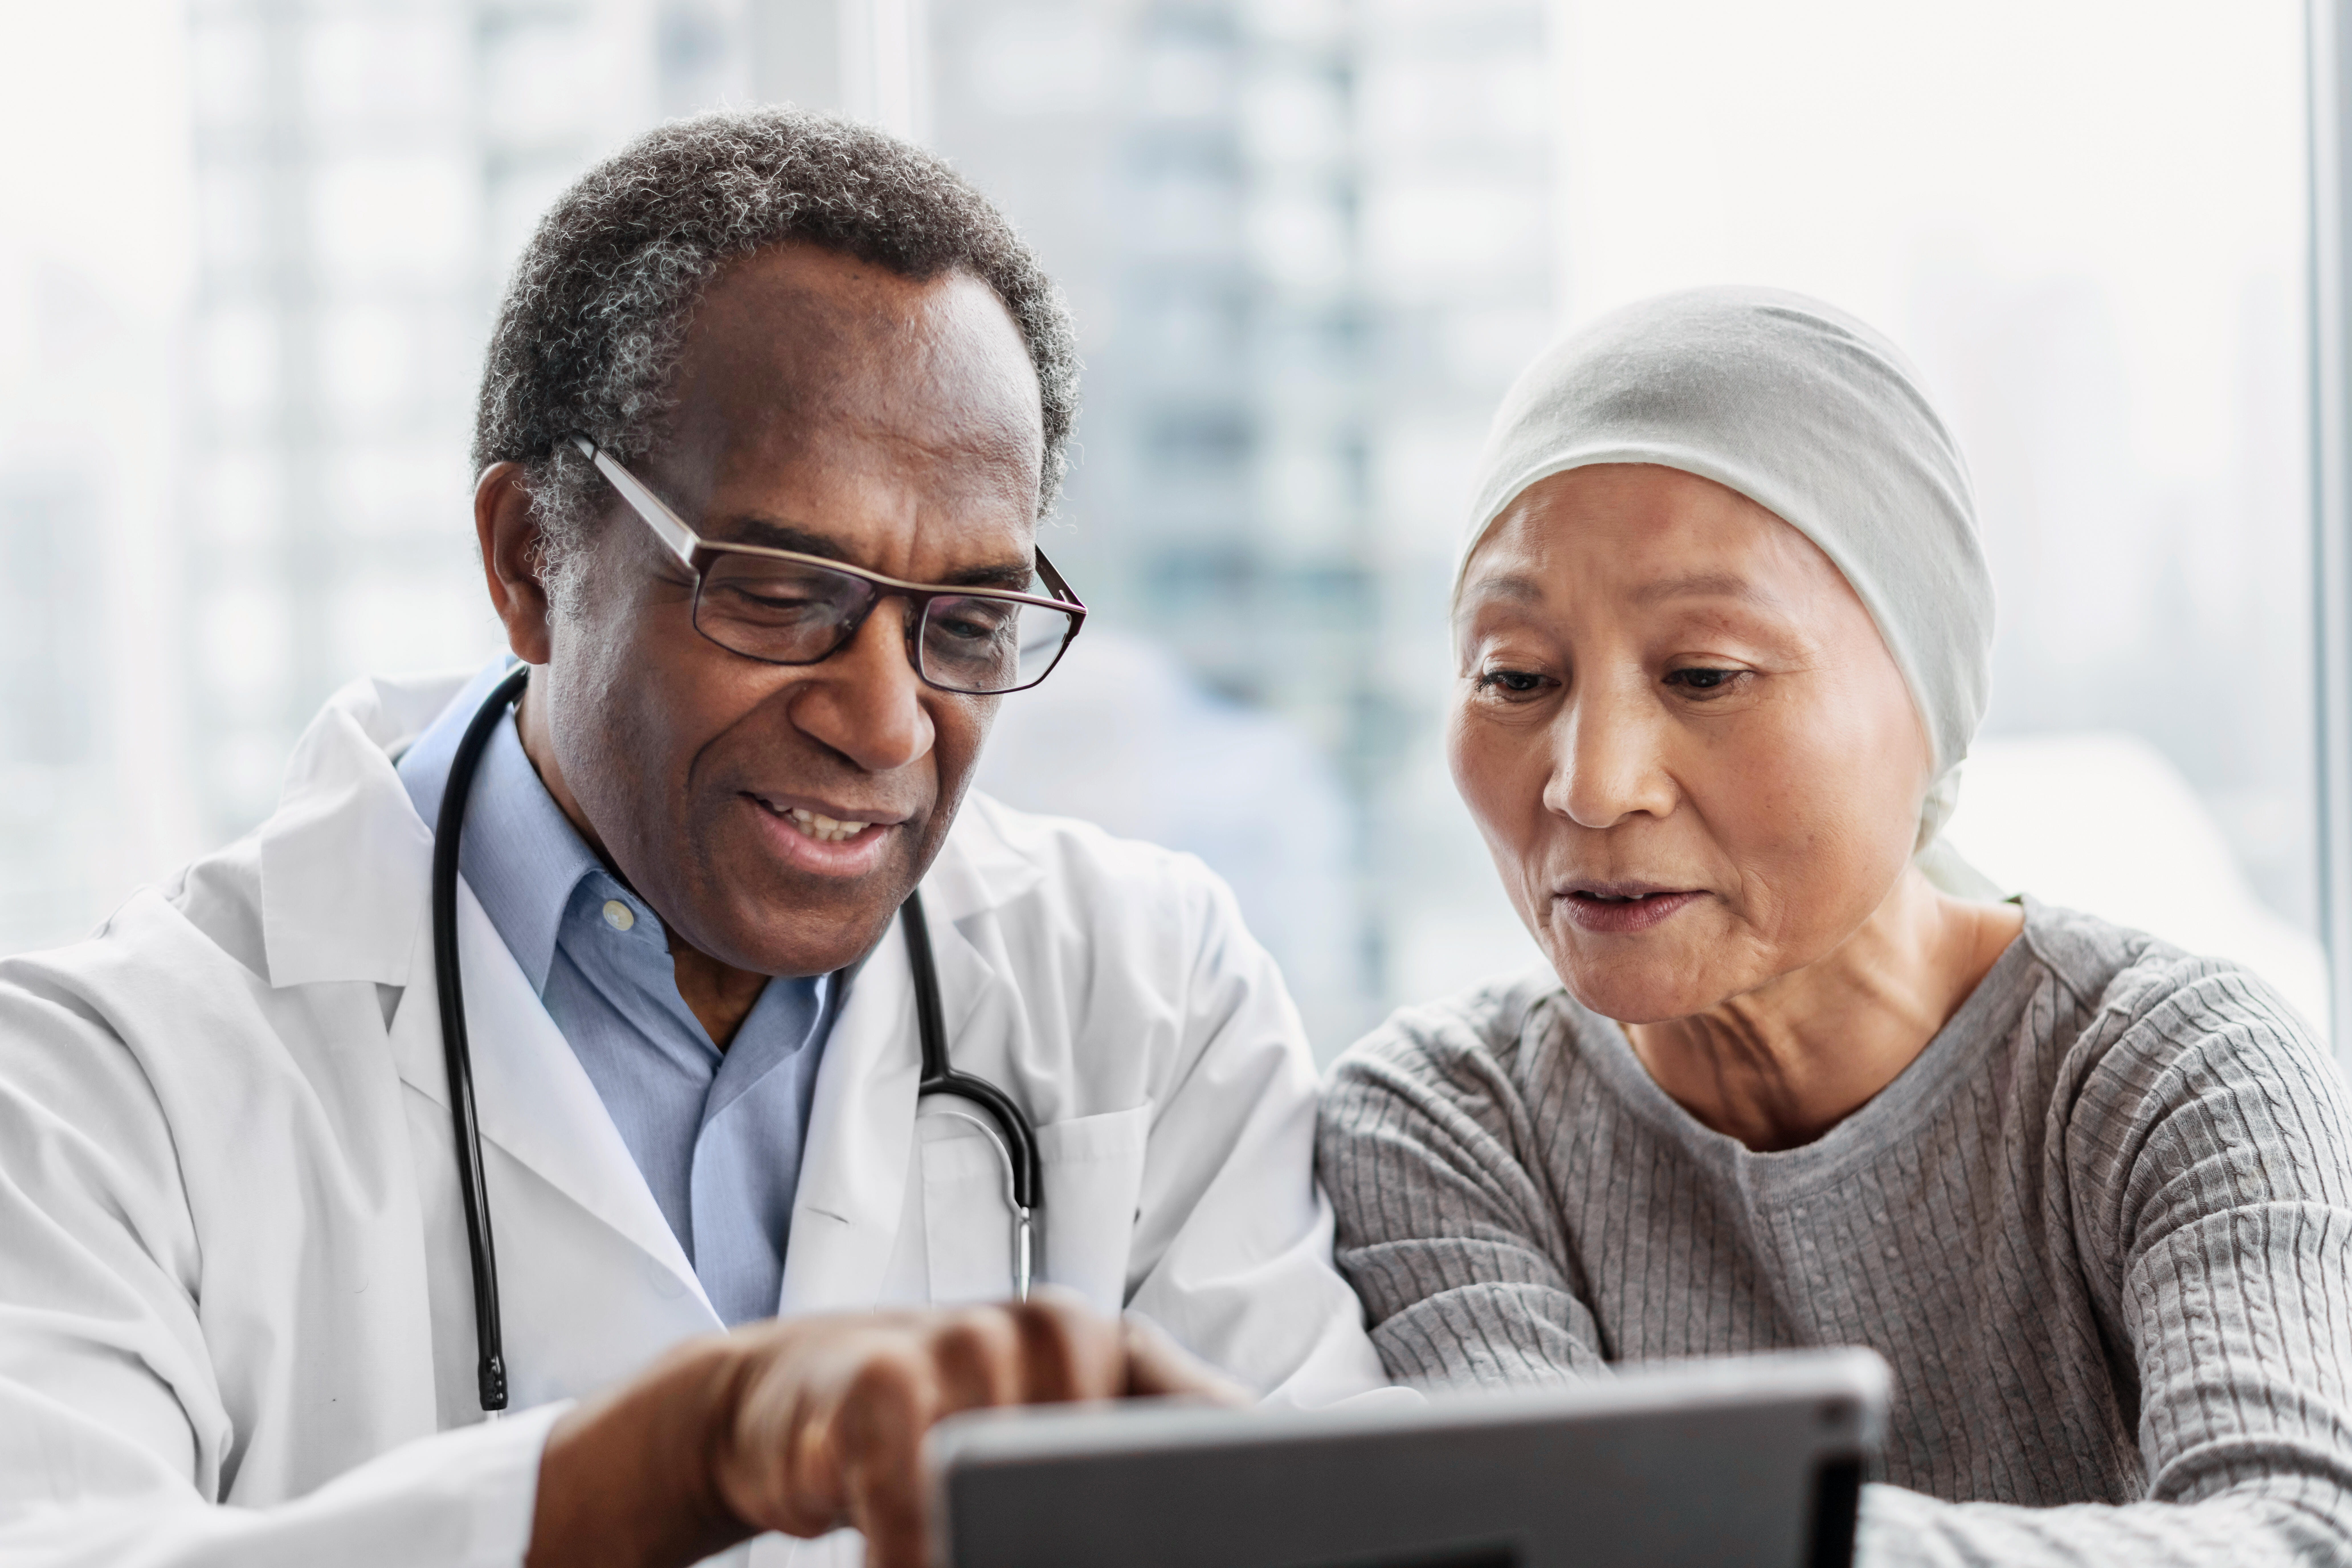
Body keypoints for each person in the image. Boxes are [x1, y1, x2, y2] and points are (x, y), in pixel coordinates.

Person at [0, 109, 1384, 1568]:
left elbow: (1350, 1536)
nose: (891, 726)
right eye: (783, 591)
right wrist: (682, 1453)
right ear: (531, 557)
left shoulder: (1148, 992)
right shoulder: (98, 1085)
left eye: (968, 624)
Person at [1316, 287, 2352, 1562]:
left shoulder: (2172, 1071)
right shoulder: (1447, 1117)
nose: (1590, 783)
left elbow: (2300, 1535)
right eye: (1516, 677)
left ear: (1931, 704)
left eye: (1705, 674)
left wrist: (1729, 1527)